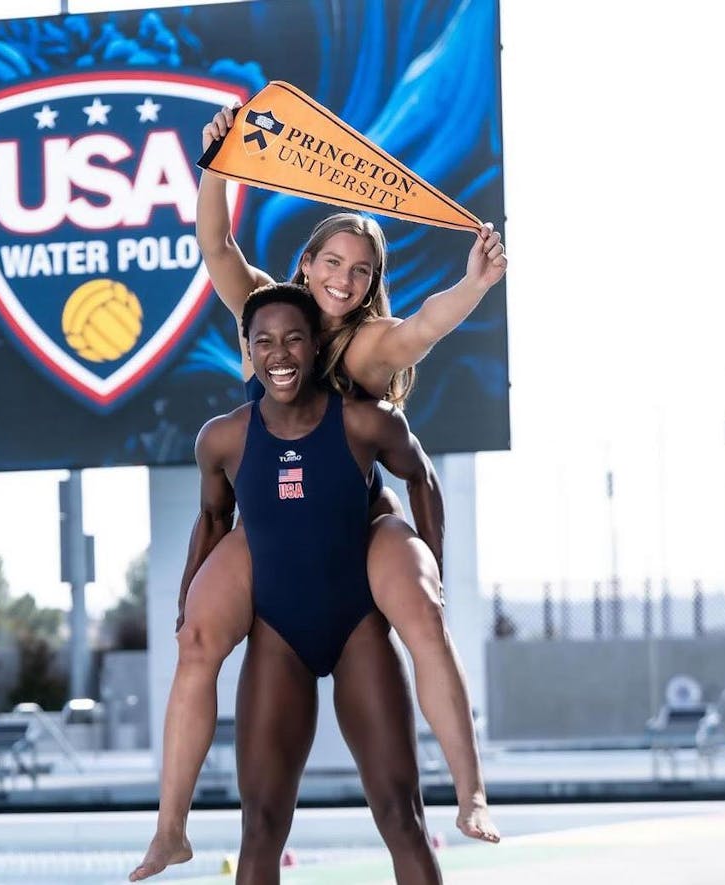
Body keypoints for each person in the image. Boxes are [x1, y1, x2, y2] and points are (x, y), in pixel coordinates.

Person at [129, 107, 505, 880]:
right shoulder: (272, 315)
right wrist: (218, 168)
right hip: (273, 522)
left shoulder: (366, 349)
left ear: (371, 284)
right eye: (332, 261)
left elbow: (424, 328)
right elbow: (216, 244)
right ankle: (170, 826)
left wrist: (474, 282)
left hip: (353, 525)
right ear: (305, 264)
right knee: (196, 638)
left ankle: (471, 791)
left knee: (421, 625)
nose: (342, 278)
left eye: (359, 270)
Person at [181, 283, 445, 883]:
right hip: (277, 634)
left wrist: (433, 569)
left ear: (315, 343)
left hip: (359, 628)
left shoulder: (361, 422)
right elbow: (214, 518)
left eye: (294, 338)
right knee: (261, 826)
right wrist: (187, 597)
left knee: (402, 816)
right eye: (264, 341)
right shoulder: (223, 438)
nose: (279, 354)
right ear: (247, 350)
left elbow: (422, 477)